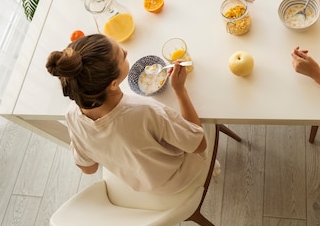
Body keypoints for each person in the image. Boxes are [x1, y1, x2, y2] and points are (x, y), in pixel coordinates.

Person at [45, 34, 207, 194]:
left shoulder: (72, 115)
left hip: (140, 183)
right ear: (113, 84)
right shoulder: (145, 110)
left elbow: (89, 168)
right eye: (122, 55)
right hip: (177, 178)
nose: (126, 51)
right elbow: (199, 145)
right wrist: (180, 90)